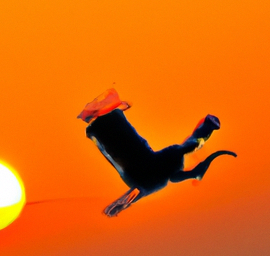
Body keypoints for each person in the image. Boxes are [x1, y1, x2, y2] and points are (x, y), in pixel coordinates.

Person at [78, 89, 236, 217]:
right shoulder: (102, 126)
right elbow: (153, 183)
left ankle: (196, 161)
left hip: (145, 168)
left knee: (176, 154)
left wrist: (125, 201)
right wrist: (125, 201)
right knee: (175, 156)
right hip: (142, 170)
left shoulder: (106, 123)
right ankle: (196, 164)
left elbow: (159, 180)